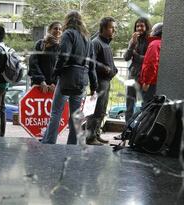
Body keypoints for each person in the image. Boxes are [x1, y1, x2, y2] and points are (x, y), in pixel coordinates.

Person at [42, 11, 98, 145]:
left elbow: (63, 56)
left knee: (56, 112)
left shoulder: (68, 34)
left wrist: (55, 73)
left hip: (67, 77)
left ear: (67, 20)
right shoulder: (87, 38)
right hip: (82, 79)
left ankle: (49, 142)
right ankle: (72, 144)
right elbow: (92, 64)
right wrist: (94, 85)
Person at [85, 17, 118, 145]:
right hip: (98, 82)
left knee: (102, 110)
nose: (114, 30)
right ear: (103, 28)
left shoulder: (106, 43)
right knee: (95, 110)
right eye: (111, 27)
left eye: (115, 27)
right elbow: (90, 61)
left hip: (106, 81)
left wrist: (113, 70)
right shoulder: (96, 42)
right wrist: (104, 68)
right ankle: (90, 137)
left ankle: (96, 134)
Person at [124, 17, 151, 122]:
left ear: (146, 27)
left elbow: (149, 59)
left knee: (145, 103)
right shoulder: (133, 40)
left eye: (142, 26)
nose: (139, 28)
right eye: (137, 26)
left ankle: (140, 131)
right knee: (129, 103)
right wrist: (132, 45)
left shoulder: (150, 40)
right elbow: (126, 57)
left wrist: (137, 56)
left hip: (144, 76)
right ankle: (127, 131)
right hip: (132, 74)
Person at [28, 21, 62, 93]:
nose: (58, 31)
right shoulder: (40, 44)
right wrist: (41, 81)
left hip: (55, 88)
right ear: (49, 30)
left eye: (60, 29)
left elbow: (62, 67)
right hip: (39, 85)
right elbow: (33, 63)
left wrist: (55, 83)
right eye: (55, 28)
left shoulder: (63, 46)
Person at [139, 22, 163, 106]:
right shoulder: (163, 43)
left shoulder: (154, 44)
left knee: (147, 108)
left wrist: (146, 82)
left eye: (152, 30)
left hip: (151, 84)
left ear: (157, 31)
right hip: (157, 83)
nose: (150, 32)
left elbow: (151, 64)